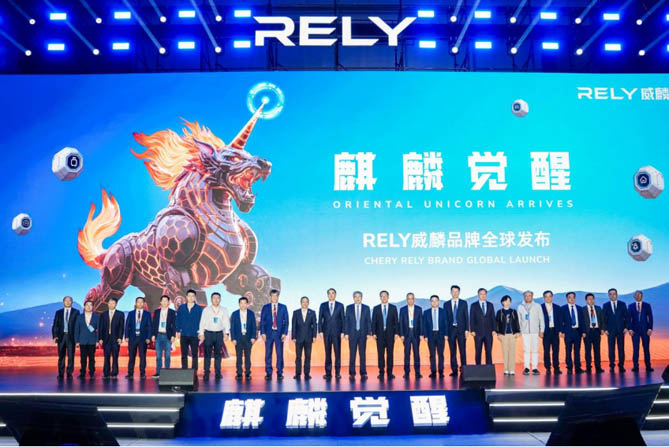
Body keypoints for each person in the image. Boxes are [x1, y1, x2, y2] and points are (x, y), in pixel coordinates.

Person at [199, 292, 231, 380]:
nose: (216, 300)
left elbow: (226, 322)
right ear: (211, 299)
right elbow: (202, 322)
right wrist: (201, 333)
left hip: (219, 334)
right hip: (208, 334)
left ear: (220, 299)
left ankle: (218, 373)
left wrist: (227, 333)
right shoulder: (206, 310)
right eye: (214, 298)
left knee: (218, 355)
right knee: (207, 354)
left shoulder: (224, 310)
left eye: (218, 298)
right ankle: (206, 372)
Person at [260, 289, 289, 380]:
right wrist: (263, 333)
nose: (274, 298)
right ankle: (268, 372)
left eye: (276, 296)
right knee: (268, 354)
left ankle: (280, 372)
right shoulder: (265, 307)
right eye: (273, 296)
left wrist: (284, 333)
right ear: (270, 297)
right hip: (268, 334)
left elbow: (286, 321)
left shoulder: (283, 307)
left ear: (278, 296)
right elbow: (262, 321)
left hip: (279, 334)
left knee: (279, 354)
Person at [318, 288, 345, 380]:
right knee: (328, 353)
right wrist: (320, 331)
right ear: (327, 295)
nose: (331, 295)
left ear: (335, 294)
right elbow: (320, 319)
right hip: (326, 333)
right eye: (329, 293)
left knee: (337, 353)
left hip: (337, 333)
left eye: (333, 293)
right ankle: (328, 373)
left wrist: (343, 331)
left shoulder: (340, 305)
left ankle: (337, 373)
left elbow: (343, 319)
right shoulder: (323, 305)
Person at [371, 290, 399, 380]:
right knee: (380, 354)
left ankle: (390, 373)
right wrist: (373, 333)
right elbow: (373, 322)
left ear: (388, 297)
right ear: (380, 297)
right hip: (379, 335)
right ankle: (381, 372)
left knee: (390, 354)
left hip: (390, 334)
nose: (384, 297)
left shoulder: (393, 308)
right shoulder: (376, 308)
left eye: (385, 296)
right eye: (382, 296)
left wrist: (396, 333)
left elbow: (396, 322)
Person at [344, 291, 371, 380]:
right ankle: (352, 373)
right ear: (353, 298)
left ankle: (363, 373)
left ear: (361, 298)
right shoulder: (349, 308)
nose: (357, 298)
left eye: (359, 296)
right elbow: (346, 321)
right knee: (352, 354)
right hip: (352, 334)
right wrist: (346, 333)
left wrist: (368, 332)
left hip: (363, 334)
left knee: (362, 354)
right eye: (356, 296)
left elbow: (368, 321)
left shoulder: (366, 308)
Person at [52, 296, 80, 379]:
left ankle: (69, 373)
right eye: (66, 301)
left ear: (72, 302)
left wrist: (77, 339)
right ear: (63, 302)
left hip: (71, 337)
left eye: (69, 300)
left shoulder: (76, 312)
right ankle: (60, 374)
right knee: (61, 356)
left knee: (71, 356)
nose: (67, 302)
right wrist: (55, 336)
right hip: (61, 337)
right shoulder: (58, 312)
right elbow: (55, 325)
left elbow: (77, 326)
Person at [176, 289, 203, 372]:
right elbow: (178, 320)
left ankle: (194, 371)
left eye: (192, 296)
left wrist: (201, 332)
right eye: (189, 296)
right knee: (184, 354)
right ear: (186, 297)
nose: (191, 297)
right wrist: (178, 331)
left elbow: (202, 322)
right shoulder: (181, 308)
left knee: (194, 354)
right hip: (184, 334)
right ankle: (184, 370)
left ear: (195, 297)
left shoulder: (199, 309)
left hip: (195, 335)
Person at [125, 297, 152, 379]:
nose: (140, 303)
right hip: (132, 338)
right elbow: (127, 325)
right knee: (131, 357)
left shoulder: (147, 314)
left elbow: (150, 326)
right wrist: (126, 336)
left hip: (143, 338)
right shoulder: (131, 313)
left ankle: (142, 373)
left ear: (144, 303)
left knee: (142, 357)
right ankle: (130, 373)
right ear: (135, 303)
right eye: (138, 302)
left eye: (141, 302)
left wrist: (148, 337)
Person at [602, 288, 628, 372]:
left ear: (617, 295)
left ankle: (621, 365)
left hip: (621, 330)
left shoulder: (622, 304)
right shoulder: (605, 305)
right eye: (610, 294)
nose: (612, 295)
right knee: (611, 349)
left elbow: (627, 316)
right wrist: (605, 329)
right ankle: (612, 366)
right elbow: (603, 318)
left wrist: (626, 327)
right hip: (610, 331)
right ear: (608, 295)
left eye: (614, 294)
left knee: (621, 349)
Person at [518, 290, 544, 375]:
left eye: (529, 295)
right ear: (524, 297)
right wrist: (519, 330)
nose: (528, 297)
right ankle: (526, 368)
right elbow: (519, 320)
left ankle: (535, 368)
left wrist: (541, 330)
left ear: (532, 296)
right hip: (525, 332)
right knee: (526, 350)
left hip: (535, 332)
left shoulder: (537, 306)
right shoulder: (520, 307)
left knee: (535, 350)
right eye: (526, 296)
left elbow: (541, 319)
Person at [444, 285, 468, 377]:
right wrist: (446, 333)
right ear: (451, 292)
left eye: (456, 291)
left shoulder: (463, 303)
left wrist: (466, 330)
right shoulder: (446, 304)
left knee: (463, 351)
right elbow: (445, 320)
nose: (455, 293)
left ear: (459, 292)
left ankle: (464, 369)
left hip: (461, 330)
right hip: (451, 331)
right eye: (453, 291)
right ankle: (454, 370)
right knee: (452, 351)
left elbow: (466, 317)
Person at [230, 296, 257, 380]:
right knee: (239, 357)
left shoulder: (251, 313)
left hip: (248, 338)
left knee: (247, 356)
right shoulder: (235, 314)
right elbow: (232, 327)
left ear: (247, 304)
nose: (243, 305)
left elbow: (254, 326)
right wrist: (233, 338)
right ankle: (239, 373)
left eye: (245, 303)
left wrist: (253, 337)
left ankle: (248, 373)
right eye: (241, 303)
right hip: (238, 338)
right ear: (239, 304)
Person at [291, 296, 317, 380]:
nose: (305, 303)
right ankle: (298, 374)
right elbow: (294, 325)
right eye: (303, 302)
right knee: (298, 357)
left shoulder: (312, 312)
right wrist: (293, 336)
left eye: (306, 302)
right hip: (298, 338)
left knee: (308, 357)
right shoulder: (296, 312)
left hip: (309, 338)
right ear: (301, 303)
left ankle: (307, 374)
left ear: (308, 303)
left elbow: (314, 325)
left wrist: (314, 336)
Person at [98, 297, 124, 379]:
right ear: (107, 304)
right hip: (106, 338)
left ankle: (114, 373)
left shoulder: (120, 314)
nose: (111, 304)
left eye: (113, 303)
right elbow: (100, 327)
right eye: (110, 303)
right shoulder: (103, 314)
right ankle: (106, 373)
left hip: (115, 338)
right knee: (106, 356)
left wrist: (120, 337)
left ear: (116, 304)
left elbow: (121, 327)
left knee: (115, 357)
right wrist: (100, 338)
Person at [151, 295, 176, 378]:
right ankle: (158, 372)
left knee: (167, 355)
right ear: (160, 302)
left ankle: (167, 372)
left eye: (166, 300)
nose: (164, 302)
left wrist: (173, 335)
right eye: (163, 300)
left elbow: (174, 325)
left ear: (168, 302)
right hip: (158, 335)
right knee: (158, 356)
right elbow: (154, 324)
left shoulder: (172, 312)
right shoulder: (157, 312)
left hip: (167, 335)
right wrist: (153, 334)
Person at [399, 292, 423, 378]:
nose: (410, 300)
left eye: (412, 298)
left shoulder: (419, 309)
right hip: (407, 334)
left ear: (414, 299)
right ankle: (406, 372)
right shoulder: (402, 309)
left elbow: (421, 322)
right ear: (406, 300)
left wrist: (421, 333)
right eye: (408, 299)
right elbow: (400, 322)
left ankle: (417, 372)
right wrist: (401, 334)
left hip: (416, 334)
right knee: (407, 354)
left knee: (416, 354)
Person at [629, 290, 653, 372]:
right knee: (635, 348)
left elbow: (650, 317)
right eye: (636, 295)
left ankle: (648, 366)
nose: (638, 296)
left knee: (646, 348)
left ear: (642, 296)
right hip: (635, 331)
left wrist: (650, 328)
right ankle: (635, 366)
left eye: (640, 295)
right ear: (634, 296)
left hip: (645, 330)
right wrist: (630, 329)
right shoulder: (631, 306)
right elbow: (629, 319)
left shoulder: (647, 305)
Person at [560, 292, 585, 374]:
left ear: (575, 298)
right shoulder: (563, 308)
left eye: (573, 297)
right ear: (567, 298)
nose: (571, 299)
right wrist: (562, 331)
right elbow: (561, 321)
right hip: (568, 332)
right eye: (569, 297)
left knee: (577, 351)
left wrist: (583, 331)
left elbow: (582, 321)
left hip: (577, 332)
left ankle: (578, 368)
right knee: (568, 350)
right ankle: (569, 367)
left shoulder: (579, 308)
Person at [470, 288, 496, 365]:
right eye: (481, 294)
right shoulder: (474, 305)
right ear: (478, 295)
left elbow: (493, 318)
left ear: (486, 295)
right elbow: (472, 318)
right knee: (478, 351)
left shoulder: (490, 305)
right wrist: (472, 330)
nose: (483, 295)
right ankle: (478, 367)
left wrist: (494, 329)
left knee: (488, 351)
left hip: (489, 332)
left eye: (484, 294)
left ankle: (489, 367)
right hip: (478, 333)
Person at [423, 295, 447, 378]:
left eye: (436, 300)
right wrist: (425, 336)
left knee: (441, 354)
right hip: (430, 335)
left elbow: (446, 323)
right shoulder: (426, 312)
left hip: (441, 335)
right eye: (432, 301)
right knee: (432, 354)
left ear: (439, 301)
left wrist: (446, 334)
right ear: (430, 302)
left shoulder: (443, 311)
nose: (434, 302)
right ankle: (433, 371)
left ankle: (441, 371)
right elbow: (424, 325)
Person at [74, 299, 99, 379]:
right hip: (82, 341)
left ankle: (92, 373)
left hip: (92, 341)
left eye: (90, 305)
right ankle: (82, 373)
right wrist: (77, 341)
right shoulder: (79, 317)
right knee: (83, 358)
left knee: (92, 358)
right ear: (84, 307)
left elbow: (99, 330)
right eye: (87, 305)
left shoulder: (96, 316)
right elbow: (76, 329)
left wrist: (97, 340)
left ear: (93, 307)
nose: (88, 307)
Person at [496, 295, 520, 375]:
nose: (507, 303)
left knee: (512, 352)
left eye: (509, 301)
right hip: (504, 335)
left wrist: (518, 331)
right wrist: (498, 333)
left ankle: (512, 369)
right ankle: (506, 369)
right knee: (505, 352)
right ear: (502, 302)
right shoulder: (499, 312)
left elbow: (517, 322)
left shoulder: (513, 311)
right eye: (506, 301)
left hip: (512, 334)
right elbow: (497, 323)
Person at [541, 290, 562, 374]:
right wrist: (540, 330)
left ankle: (556, 367)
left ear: (552, 297)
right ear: (544, 298)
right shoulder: (540, 307)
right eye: (546, 297)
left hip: (555, 331)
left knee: (556, 350)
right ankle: (548, 368)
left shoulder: (557, 307)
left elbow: (560, 320)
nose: (548, 298)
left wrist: (560, 330)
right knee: (546, 351)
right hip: (545, 332)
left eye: (550, 296)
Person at [581, 293, 604, 374]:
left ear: (594, 300)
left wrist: (602, 329)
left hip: (597, 331)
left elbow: (602, 320)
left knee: (597, 350)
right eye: (589, 299)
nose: (591, 300)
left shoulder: (598, 308)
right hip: (587, 332)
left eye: (592, 299)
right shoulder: (583, 309)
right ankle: (588, 367)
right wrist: (583, 332)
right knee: (588, 351)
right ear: (586, 300)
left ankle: (598, 367)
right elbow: (581, 322)